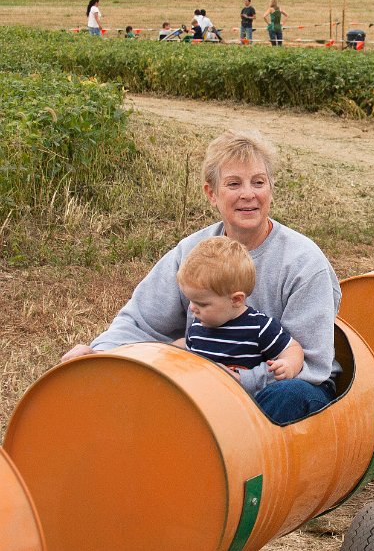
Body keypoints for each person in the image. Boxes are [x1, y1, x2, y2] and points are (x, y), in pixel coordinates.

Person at [61, 130, 341, 425]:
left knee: (288, 396)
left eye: (258, 182)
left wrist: (232, 385)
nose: (248, 194)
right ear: (212, 194)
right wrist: (99, 355)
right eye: (234, 184)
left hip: (286, 389)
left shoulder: (304, 262)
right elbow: (142, 322)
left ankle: (235, 460)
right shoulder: (193, 252)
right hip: (207, 387)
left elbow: (311, 364)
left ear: (270, 189)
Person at [175, 236, 304, 398]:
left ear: (236, 300)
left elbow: (292, 348)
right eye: (191, 301)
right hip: (204, 405)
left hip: (243, 407)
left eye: (202, 304)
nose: (193, 308)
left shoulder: (258, 327)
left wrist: (288, 365)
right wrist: (168, 351)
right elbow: (187, 350)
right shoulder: (197, 327)